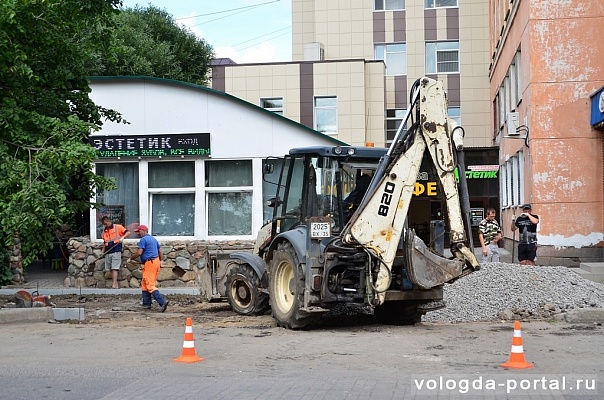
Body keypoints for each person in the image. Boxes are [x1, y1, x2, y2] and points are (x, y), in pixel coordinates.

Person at [131, 224, 169, 312]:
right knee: (144, 283)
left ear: (144, 231)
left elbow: (139, 252)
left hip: (150, 263)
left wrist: (131, 258)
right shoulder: (153, 239)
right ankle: (146, 303)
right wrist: (160, 261)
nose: (138, 234)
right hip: (155, 262)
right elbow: (160, 251)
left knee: (149, 283)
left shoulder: (143, 240)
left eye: (139, 232)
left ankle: (162, 301)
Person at [101, 216, 130, 289]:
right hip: (108, 252)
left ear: (108, 221)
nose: (105, 225)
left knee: (114, 268)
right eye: (104, 224)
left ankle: (114, 285)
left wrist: (122, 238)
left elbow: (128, 232)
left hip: (116, 250)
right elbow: (105, 242)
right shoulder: (104, 231)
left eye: (105, 224)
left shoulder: (118, 227)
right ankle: (116, 284)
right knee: (110, 268)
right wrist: (102, 252)